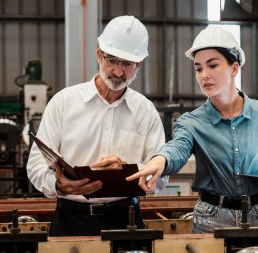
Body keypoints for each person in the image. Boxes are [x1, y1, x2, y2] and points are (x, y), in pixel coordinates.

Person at [126, 25, 258, 233]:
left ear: (234, 68)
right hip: (211, 220)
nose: (204, 75)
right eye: (198, 68)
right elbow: (177, 148)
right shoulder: (192, 122)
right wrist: (160, 159)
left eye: (212, 65)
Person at [27, 15, 167, 236]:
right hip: (70, 219)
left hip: (126, 218)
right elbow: (35, 165)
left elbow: (161, 178)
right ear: (98, 55)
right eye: (112, 60)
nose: (118, 72)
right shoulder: (64, 103)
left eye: (127, 64)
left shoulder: (146, 111)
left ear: (139, 65)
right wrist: (57, 185)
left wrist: (130, 172)